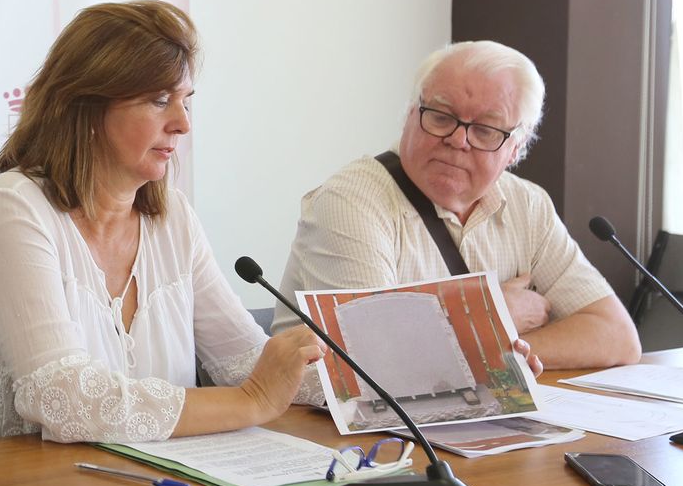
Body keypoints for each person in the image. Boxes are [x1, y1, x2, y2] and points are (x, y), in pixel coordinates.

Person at [0, 1, 324, 445]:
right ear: (85, 107)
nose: (182, 124)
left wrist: (358, 382)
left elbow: (246, 360)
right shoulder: (10, 208)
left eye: (186, 102)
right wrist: (252, 400)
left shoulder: (172, 218)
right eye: (159, 101)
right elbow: (64, 398)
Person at [273, 39, 638, 393]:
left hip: (467, 422)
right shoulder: (351, 202)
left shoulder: (528, 205)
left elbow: (616, 336)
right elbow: (372, 360)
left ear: (516, 147)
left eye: (485, 130)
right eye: (442, 117)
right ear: (410, 114)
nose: (458, 140)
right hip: (338, 436)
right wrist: (497, 317)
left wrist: (501, 349)